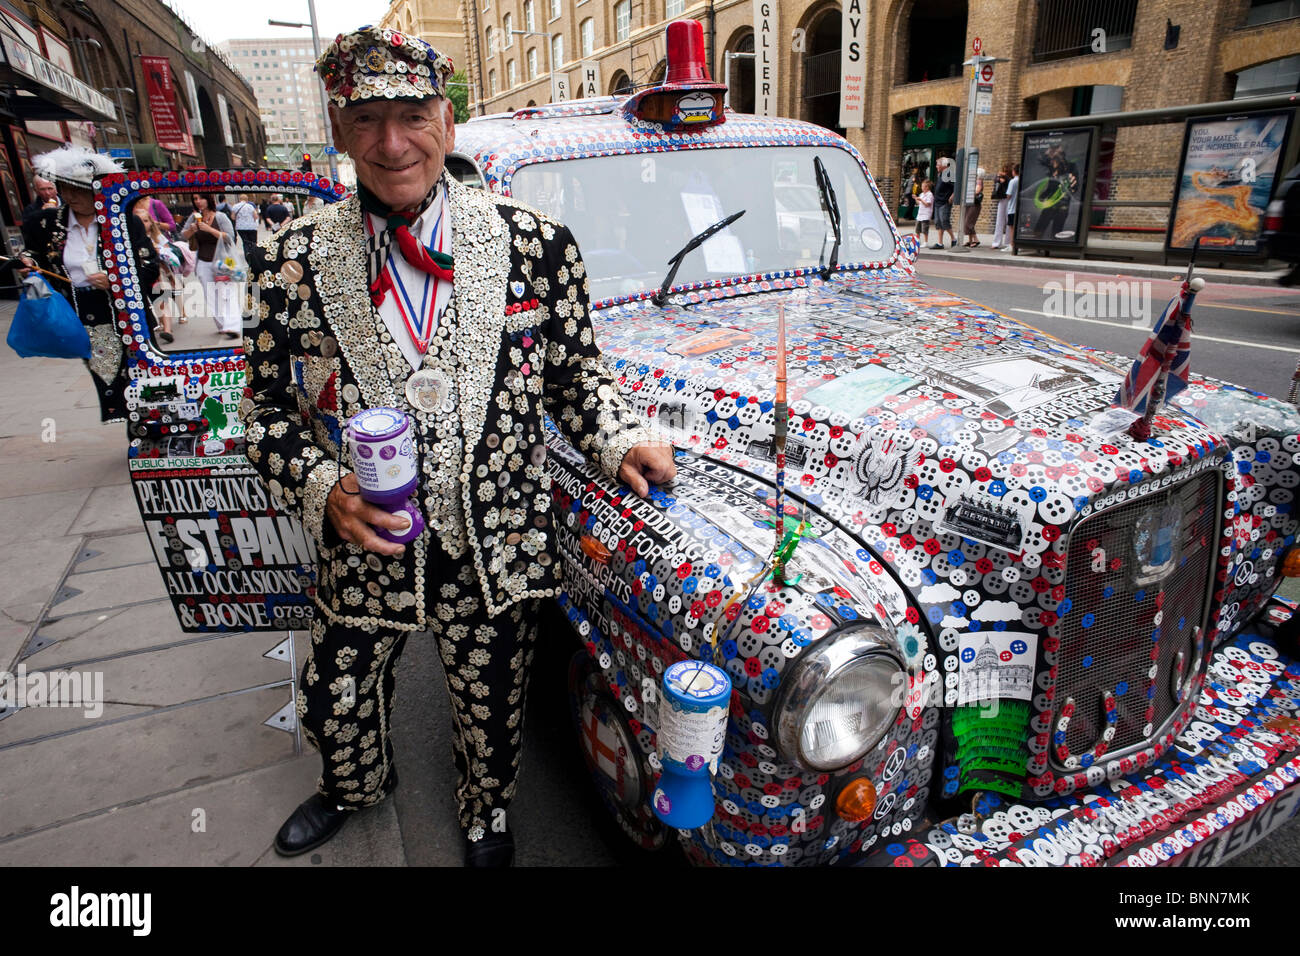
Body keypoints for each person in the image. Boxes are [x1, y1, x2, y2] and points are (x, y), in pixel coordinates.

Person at [240, 25, 675, 868]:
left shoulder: (536, 246)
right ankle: (353, 787)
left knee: (493, 703)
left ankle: (487, 815)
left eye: (412, 115)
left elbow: (579, 381)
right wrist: (325, 487)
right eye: (366, 120)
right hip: (365, 546)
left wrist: (620, 437)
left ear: (448, 119)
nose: (391, 143)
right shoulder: (292, 261)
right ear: (338, 131)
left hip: (497, 543)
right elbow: (259, 415)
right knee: (334, 696)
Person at [19, 146, 158, 421]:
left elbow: (149, 263)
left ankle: (151, 427)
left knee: (144, 375)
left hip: (126, 310)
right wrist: (28, 263)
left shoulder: (123, 222)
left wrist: (119, 280)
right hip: (83, 313)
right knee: (109, 378)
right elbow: (33, 254)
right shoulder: (45, 224)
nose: (70, 196)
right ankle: (134, 428)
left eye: (79, 190)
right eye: (64, 188)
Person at [180, 193, 241, 340]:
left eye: (201, 198)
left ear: (209, 199)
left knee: (227, 293)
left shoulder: (220, 217)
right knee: (211, 295)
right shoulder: (194, 217)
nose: (198, 201)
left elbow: (230, 238)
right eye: (195, 199)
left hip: (224, 261)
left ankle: (233, 326)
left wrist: (210, 230)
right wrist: (192, 230)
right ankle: (222, 326)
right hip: (203, 261)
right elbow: (182, 236)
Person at [134, 203, 180, 344]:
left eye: (146, 221)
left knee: (161, 301)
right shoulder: (132, 239)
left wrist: (160, 250)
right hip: (143, 274)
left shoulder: (155, 236)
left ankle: (167, 330)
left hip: (158, 272)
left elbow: (167, 251)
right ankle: (159, 324)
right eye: (139, 221)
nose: (143, 224)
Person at [932, 157, 955, 250]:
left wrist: (952, 196)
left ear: (943, 165)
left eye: (938, 164)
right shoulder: (940, 174)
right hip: (937, 201)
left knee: (944, 221)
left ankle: (954, 239)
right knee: (938, 222)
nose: (936, 166)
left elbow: (955, 187)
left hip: (944, 202)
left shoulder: (949, 174)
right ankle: (940, 243)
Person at [229, 192, 260, 258]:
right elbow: (255, 216)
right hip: (251, 227)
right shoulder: (250, 206)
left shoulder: (235, 206)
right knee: (253, 242)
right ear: (247, 199)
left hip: (240, 227)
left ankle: (247, 254)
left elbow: (233, 217)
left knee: (245, 242)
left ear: (240, 199)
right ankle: (254, 254)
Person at [990, 163, 1012, 249]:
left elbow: (1010, 182)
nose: (1004, 172)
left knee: (1008, 221)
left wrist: (1005, 178)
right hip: (1001, 199)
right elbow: (995, 181)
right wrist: (998, 178)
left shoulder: (1010, 179)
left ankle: (1007, 242)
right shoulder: (1001, 177)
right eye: (1003, 171)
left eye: (1006, 171)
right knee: (999, 221)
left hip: (1009, 199)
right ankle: (996, 243)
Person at [963, 166, 985, 247]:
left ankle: (976, 240)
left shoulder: (979, 181)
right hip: (970, 203)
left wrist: (968, 192)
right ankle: (970, 240)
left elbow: (977, 191)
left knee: (968, 222)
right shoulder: (974, 181)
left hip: (974, 205)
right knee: (968, 222)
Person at [1004, 163, 1020, 251]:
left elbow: (1008, 195)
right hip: (1019, 208)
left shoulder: (1013, 181)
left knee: (1011, 228)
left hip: (1012, 208)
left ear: (1014, 171)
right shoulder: (1021, 180)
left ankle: (1012, 245)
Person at [915, 178, 934, 245]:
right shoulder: (921, 194)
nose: (922, 188)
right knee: (917, 229)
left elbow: (927, 204)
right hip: (920, 214)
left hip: (926, 215)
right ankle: (918, 241)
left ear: (927, 187)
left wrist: (921, 200)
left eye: (923, 186)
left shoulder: (930, 194)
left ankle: (925, 242)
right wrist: (916, 199)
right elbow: (919, 203)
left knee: (924, 229)